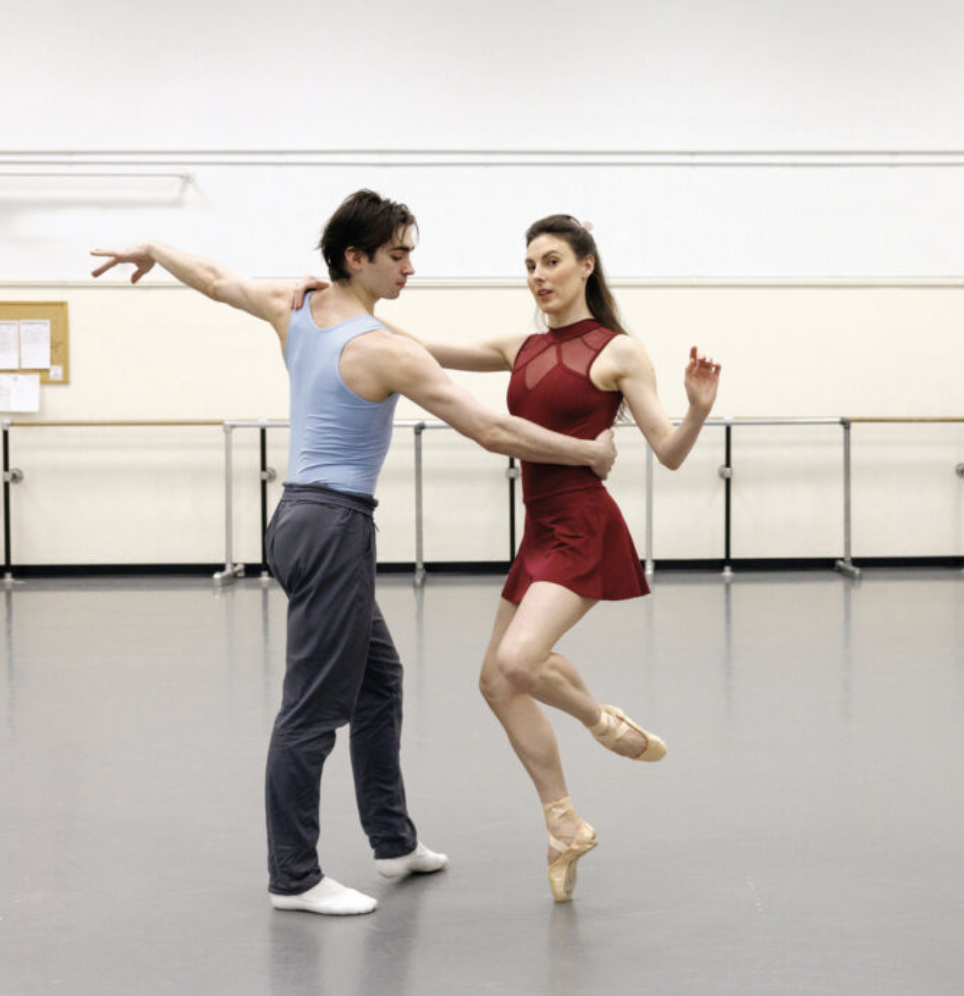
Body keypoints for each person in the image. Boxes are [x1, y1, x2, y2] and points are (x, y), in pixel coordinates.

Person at [90, 190, 617, 916]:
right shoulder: (384, 350)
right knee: (313, 709)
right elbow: (491, 431)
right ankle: (294, 878)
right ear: (355, 257)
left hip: (296, 519)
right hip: (335, 526)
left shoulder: (295, 306)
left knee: (379, 681)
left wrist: (154, 249)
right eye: (398, 255)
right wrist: (587, 452)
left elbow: (215, 279)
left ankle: (393, 841)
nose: (410, 268)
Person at [424, 215, 721, 902]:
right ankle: (564, 825)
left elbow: (669, 452)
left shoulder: (619, 351)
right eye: (530, 264)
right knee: (497, 683)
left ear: (586, 264)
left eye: (552, 260)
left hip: (582, 526)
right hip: (538, 528)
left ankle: (600, 720)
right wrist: (346, 304)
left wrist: (698, 410)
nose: (538, 276)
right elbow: (420, 349)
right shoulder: (518, 346)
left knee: (518, 661)